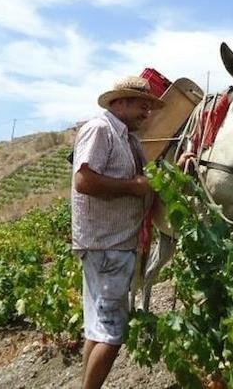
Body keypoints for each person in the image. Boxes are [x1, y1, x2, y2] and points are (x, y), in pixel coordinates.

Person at [70, 76, 164, 389]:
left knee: (97, 330)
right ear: (119, 103)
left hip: (112, 244)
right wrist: (132, 187)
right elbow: (83, 181)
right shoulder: (101, 129)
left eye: (150, 107)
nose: (147, 113)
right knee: (111, 335)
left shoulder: (128, 138)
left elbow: (146, 180)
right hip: (107, 246)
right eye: (142, 105)